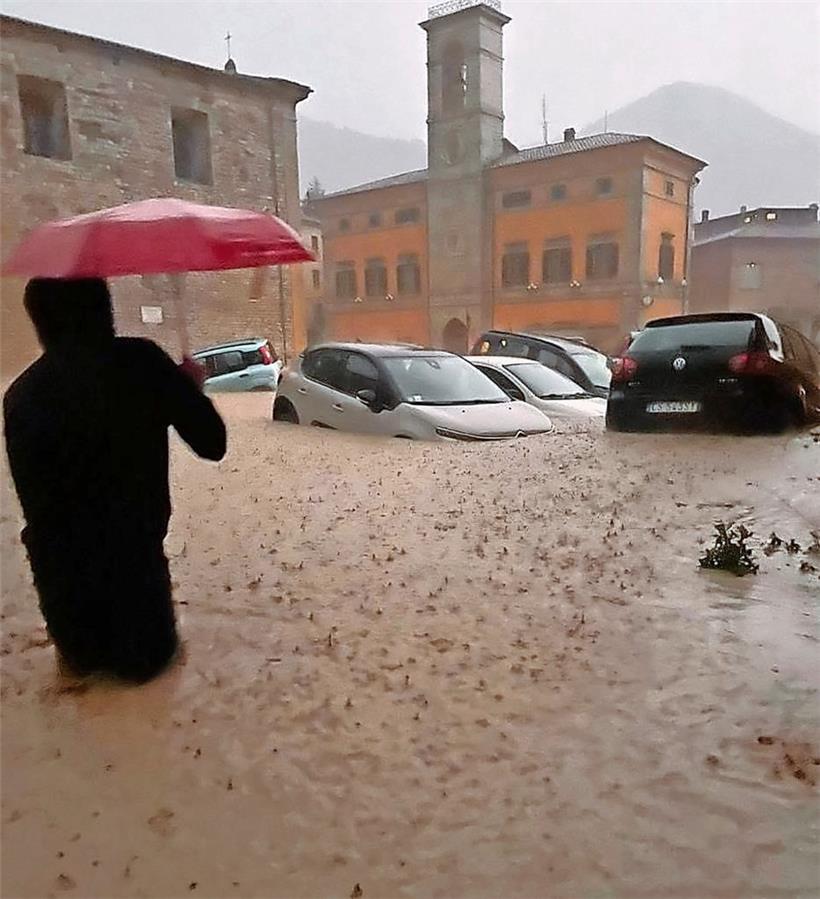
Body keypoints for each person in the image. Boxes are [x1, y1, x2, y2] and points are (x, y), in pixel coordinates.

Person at [3, 278, 227, 683]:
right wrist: (188, 391)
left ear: (39, 322)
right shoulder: (142, 364)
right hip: (142, 610)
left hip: (66, 614)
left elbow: (37, 508)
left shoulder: (21, 395)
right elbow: (213, 444)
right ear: (104, 310)